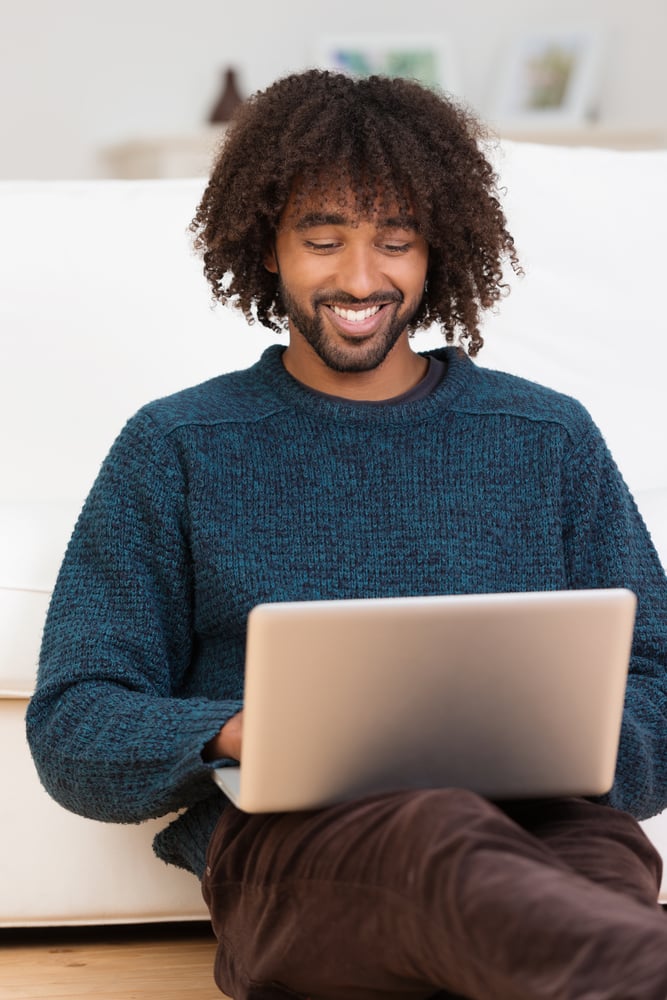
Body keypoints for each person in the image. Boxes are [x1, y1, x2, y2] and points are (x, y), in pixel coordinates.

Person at [26, 69, 667, 1000]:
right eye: (322, 240)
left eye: (394, 243)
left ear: (437, 252)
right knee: (444, 848)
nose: (359, 279)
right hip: (300, 849)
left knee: (585, 881)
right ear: (268, 248)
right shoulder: (177, 447)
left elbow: (657, 674)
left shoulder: (545, 437)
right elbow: (76, 721)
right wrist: (245, 730)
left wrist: (576, 740)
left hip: (548, 825)